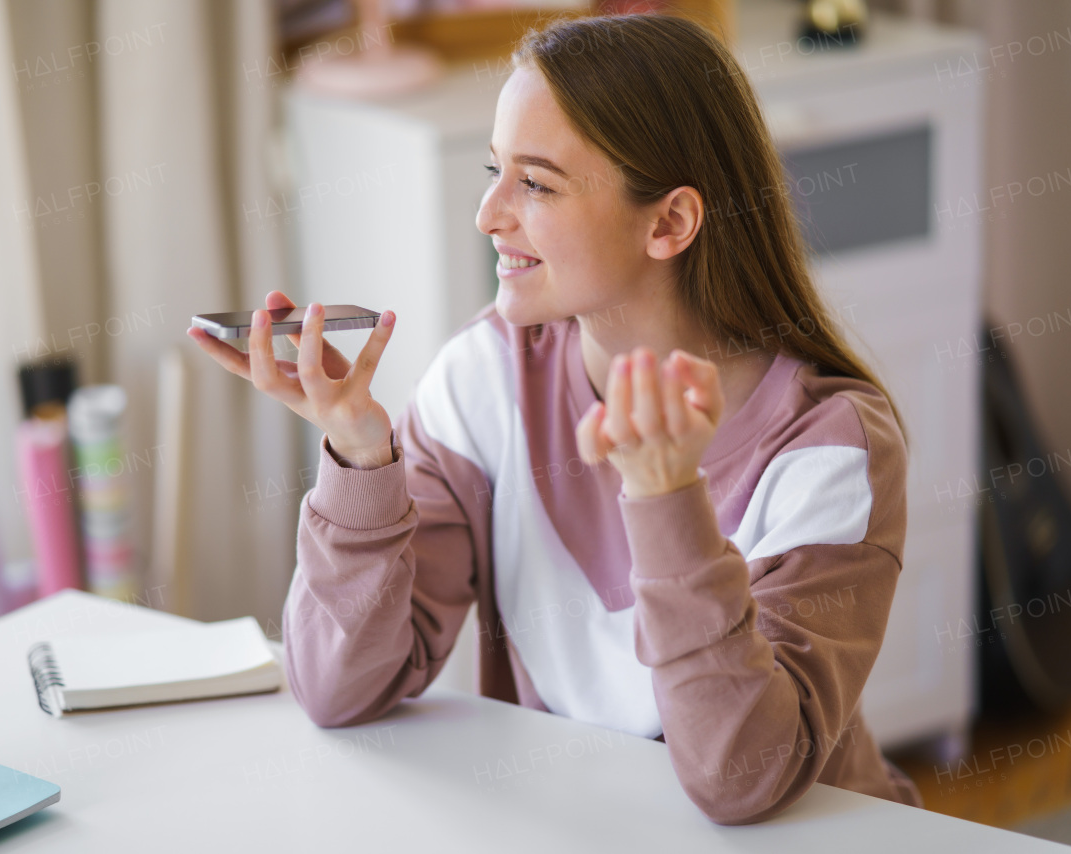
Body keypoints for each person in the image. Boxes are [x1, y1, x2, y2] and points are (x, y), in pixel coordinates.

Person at [188, 13, 923, 826]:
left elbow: (741, 779)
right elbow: (335, 690)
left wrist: (666, 497)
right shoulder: (486, 378)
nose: (489, 213)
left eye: (535, 183)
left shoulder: (829, 447)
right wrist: (361, 456)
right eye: (494, 170)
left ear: (670, 222)